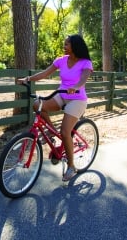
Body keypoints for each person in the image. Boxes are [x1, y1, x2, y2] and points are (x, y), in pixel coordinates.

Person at [18, 34, 93, 181]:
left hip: (77, 99)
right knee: (37, 104)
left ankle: (71, 166)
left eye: (66, 44)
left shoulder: (86, 62)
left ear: (75, 46)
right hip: (62, 95)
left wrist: (76, 87)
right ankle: (52, 133)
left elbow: (84, 79)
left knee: (65, 132)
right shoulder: (61, 60)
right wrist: (27, 79)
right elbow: (44, 73)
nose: (64, 46)